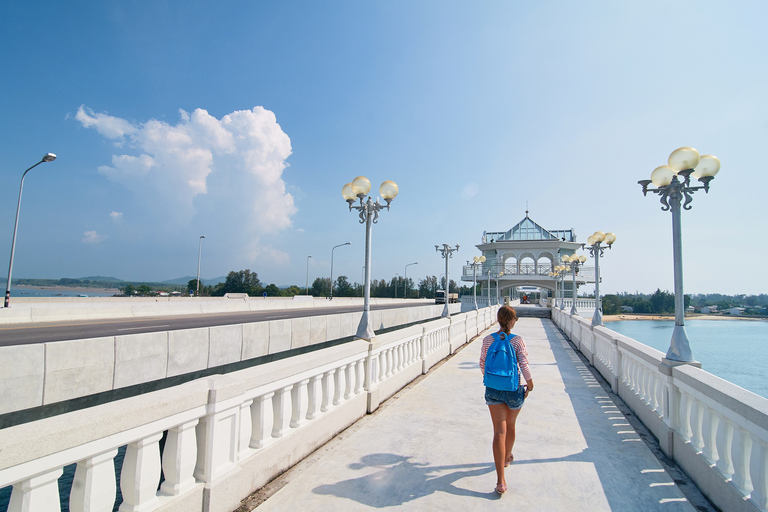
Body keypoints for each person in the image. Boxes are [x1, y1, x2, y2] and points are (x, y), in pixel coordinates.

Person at [479, 305, 534, 495]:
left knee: (498, 432)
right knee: (510, 426)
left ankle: (501, 481)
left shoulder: (488, 340)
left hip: (493, 389)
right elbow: (524, 364)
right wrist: (530, 383)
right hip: (513, 389)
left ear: (498, 319)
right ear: (512, 321)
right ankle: (506, 458)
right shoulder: (517, 341)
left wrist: (493, 379)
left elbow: (482, 364)